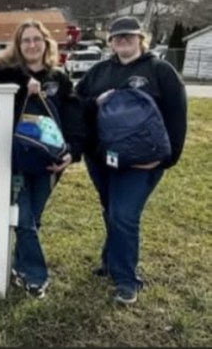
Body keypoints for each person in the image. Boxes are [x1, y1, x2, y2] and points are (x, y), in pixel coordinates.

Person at [75, 16, 187, 305]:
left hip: (142, 163)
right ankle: (111, 261)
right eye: (118, 36)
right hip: (102, 158)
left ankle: (126, 280)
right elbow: (77, 106)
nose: (123, 40)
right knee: (110, 209)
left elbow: (177, 116)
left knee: (124, 214)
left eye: (129, 36)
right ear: (110, 41)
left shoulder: (160, 71)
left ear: (141, 39)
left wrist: (166, 159)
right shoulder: (98, 71)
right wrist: (95, 103)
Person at [0, 20, 86, 298]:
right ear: (19, 45)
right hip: (14, 160)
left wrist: (72, 152)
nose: (32, 45)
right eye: (26, 40)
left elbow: (73, 116)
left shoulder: (58, 78)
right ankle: (36, 277)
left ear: (46, 43)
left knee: (31, 219)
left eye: (37, 39)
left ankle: (17, 266)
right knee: (24, 218)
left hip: (48, 162)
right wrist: (25, 81)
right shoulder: (6, 72)